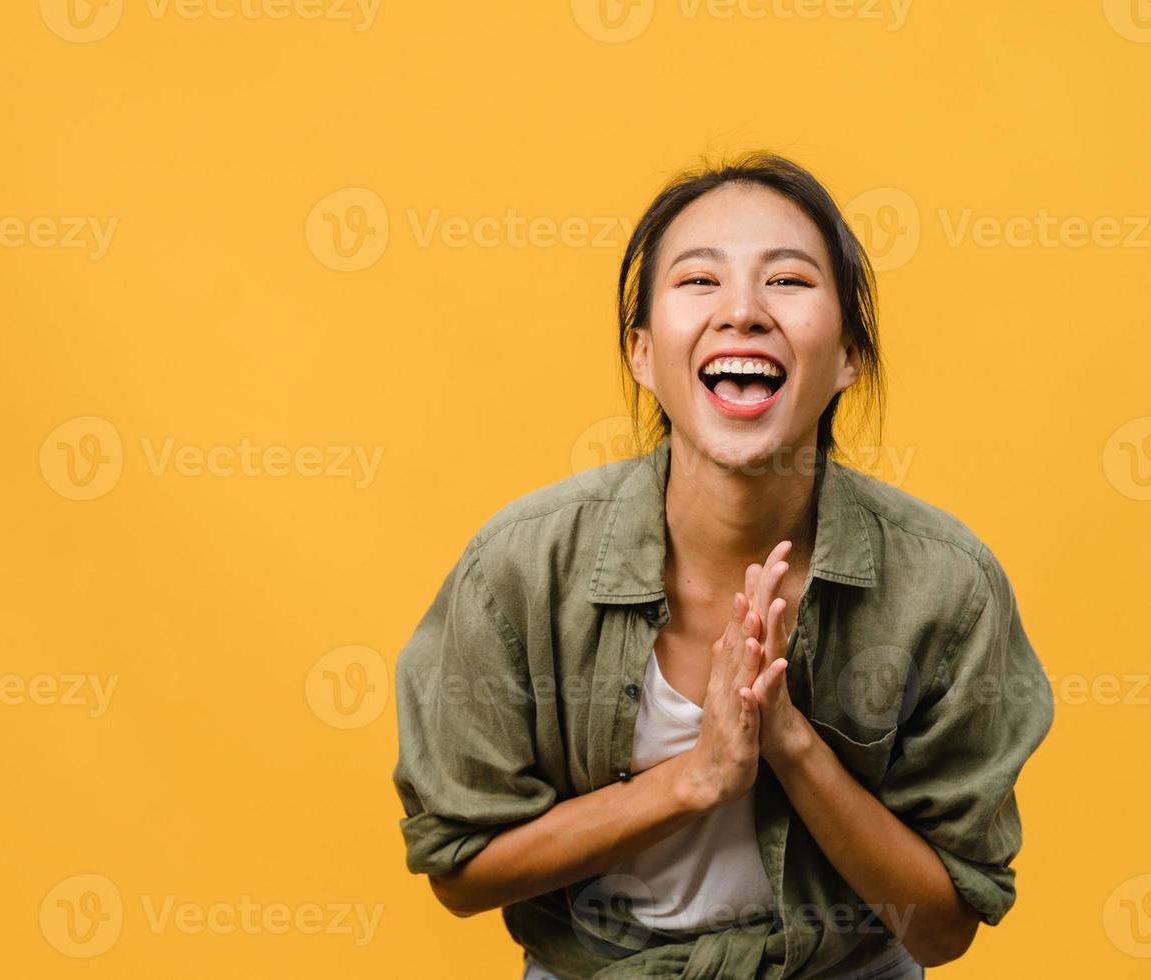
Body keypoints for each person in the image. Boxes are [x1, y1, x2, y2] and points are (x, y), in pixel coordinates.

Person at [390, 152, 1054, 979]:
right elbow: (460, 873)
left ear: (848, 352)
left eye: (788, 281)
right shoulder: (519, 568)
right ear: (641, 352)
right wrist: (696, 777)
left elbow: (943, 929)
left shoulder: (949, 588)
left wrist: (790, 742)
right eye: (699, 281)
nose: (742, 311)